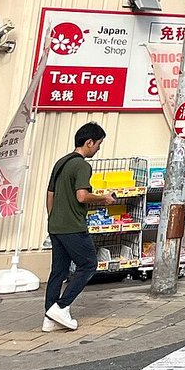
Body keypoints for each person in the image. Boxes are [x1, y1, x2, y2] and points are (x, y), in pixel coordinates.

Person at [43, 122, 112, 332]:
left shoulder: (61, 162)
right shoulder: (82, 165)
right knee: (89, 264)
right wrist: (104, 199)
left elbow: (50, 194)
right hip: (74, 226)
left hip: (56, 225)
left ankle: (49, 318)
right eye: (98, 144)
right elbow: (82, 196)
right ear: (89, 142)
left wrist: (53, 218)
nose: (98, 148)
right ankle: (62, 307)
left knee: (58, 271)